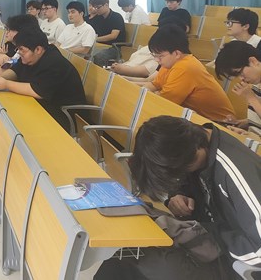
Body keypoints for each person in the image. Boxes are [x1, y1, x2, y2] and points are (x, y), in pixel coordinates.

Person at [96, 116, 261, 280]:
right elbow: (184, 179)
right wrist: (176, 195)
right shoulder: (187, 143)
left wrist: (208, 233)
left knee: (153, 267)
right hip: (206, 243)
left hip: (234, 263)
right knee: (122, 260)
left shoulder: (238, 174)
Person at [0, 28, 86, 131]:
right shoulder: (32, 56)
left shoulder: (54, 62)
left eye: (22, 50)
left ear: (38, 49)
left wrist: (6, 84)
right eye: (18, 49)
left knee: (14, 119)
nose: (19, 53)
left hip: (64, 115)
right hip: (44, 104)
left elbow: (37, 91)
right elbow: (16, 71)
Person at [139, 25, 234, 121]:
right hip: (195, 118)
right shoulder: (170, 63)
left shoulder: (185, 67)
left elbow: (164, 102)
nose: (156, 60)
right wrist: (142, 90)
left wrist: (153, 93)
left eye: (160, 56)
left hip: (217, 123)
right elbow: (154, 85)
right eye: (154, 55)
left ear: (177, 53)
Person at [88, 0, 126, 67]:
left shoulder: (116, 17)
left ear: (106, 5)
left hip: (115, 47)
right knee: (84, 52)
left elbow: (113, 36)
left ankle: (101, 74)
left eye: (98, 7)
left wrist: (95, 39)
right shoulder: (98, 18)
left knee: (99, 56)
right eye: (95, 7)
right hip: (100, 45)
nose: (96, 9)